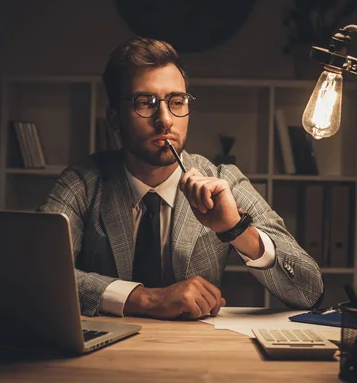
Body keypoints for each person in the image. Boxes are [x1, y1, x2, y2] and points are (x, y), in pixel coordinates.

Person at [39, 36, 324, 320]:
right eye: (145, 103)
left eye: (176, 101)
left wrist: (235, 229)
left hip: (195, 356)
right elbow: (39, 274)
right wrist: (146, 299)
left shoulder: (223, 179)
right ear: (114, 119)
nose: (165, 119)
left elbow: (309, 291)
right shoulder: (83, 182)